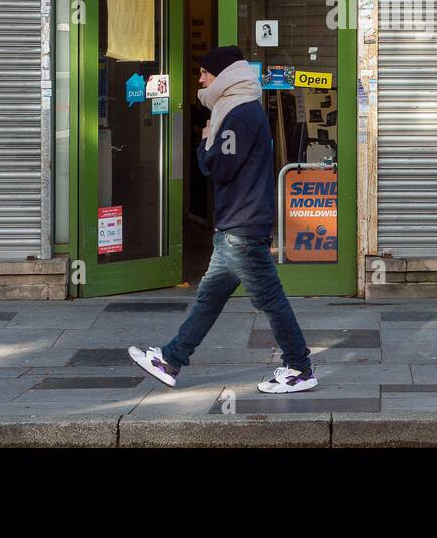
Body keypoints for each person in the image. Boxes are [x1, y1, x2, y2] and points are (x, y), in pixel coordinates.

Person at [129, 45, 317, 393]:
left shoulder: (239, 113)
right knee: (210, 298)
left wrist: (204, 144)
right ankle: (171, 360)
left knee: (270, 300)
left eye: (204, 72)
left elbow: (219, 167)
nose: (200, 78)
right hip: (236, 224)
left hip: (242, 228)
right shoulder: (238, 109)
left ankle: (300, 368)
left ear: (224, 75)